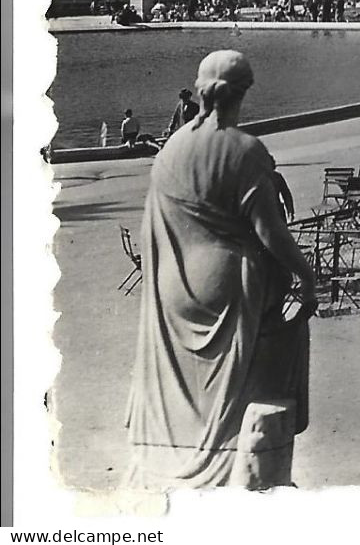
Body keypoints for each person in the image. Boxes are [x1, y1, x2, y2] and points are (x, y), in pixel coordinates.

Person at [125, 50, 317, 489]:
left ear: (200, 90)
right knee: (288, 334)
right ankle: (251, 462)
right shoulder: (244, 150)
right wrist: (306, 279)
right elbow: (273, 236)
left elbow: (152, 230)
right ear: (242, 93)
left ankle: (182, 454)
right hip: (230, 285)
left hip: (174, 286)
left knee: (188, 386)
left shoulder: (171, 150)